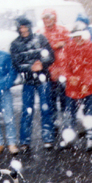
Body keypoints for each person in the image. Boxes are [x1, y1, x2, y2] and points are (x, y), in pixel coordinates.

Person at [10, 15, 56, 152]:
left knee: (46, 109)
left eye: (25, 27)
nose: (23, 30)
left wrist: (42, 63)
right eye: (21, 27)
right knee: (27, 111)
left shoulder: (40, 38)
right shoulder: (15, 44)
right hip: (28, 81)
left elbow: (51, 56)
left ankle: (48, 139)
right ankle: (24, 141)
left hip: (43, 80)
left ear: (30, 27)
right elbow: (17, 64)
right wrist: (30, 67)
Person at [62, 23, 92, 151]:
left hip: (88, 87)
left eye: (79, 35)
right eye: (75, 36)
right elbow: (64, 66)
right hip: (72, 87)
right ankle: (68, 138)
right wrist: (69, 77)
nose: (77, 38)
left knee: (90, 112)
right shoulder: (68, 48)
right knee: (69, 113)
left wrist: (86, 83)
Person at [40, 9, 70, 133]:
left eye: (50, 18)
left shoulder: (63, 30)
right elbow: (40, 50)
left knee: (65, 100)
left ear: (54, 18)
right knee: (50, 101)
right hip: (48, 72)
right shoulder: (40, 33)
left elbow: (71, 44)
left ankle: (67, 125)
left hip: (63, 71)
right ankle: (54, 125)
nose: (47, 21)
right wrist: (55, 46)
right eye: (45, 18)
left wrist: (64, 44)